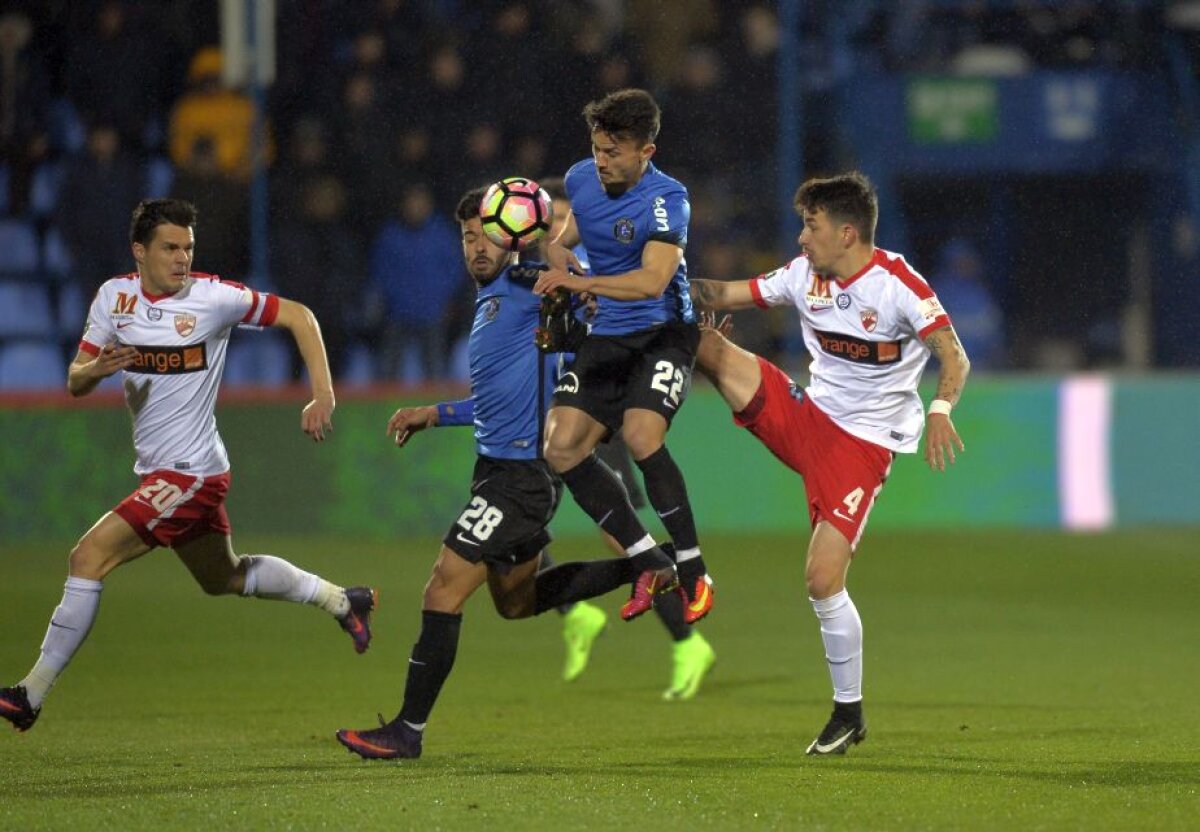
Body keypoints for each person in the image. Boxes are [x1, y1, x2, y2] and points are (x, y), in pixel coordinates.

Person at [0, 199, 376, 734]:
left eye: (188, 248)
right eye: (170, 248)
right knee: (222, 577)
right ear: (140, 252)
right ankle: (343, 600)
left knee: (87, 557)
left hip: (191, 473)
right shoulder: (115, 297)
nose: (182, 259)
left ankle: (29, 694)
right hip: (167, 472)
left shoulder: (213, 299)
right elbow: (74, 382)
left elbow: (300, 315)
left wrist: (323, 394)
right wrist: (98, 368)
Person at [334, 188, 678, 761]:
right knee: (515, 604)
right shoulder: (490, 301)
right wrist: (433, 413)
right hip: (498, 469)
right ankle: (647, 562)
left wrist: (570, 273)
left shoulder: (527, 287)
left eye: (488, 234)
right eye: (468, 236)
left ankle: (406, 731)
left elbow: (583, 291)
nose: (477, 246)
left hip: (520, 477)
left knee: (443, 586)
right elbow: (494, 399)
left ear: (513, 236)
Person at [688, 172, 970, 755]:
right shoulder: (802, 276)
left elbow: (954, 355)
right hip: (807, 418)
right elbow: (718, 294)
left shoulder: (899, 286)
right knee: (703, 343)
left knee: (821, 579)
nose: (800, 239)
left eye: (810, 227)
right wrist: (641, 287)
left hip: (860, 447)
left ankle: (848, 713)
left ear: (846, 233)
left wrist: (940, 407)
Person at [532, 88, 714, 627]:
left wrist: (582, 279)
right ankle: (647, 557)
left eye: (613, 152)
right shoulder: (582, 178)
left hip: (664, 334)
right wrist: (561, 254)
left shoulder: (668, 200)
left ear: (646, 152)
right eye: (596, 149)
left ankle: (694, 570)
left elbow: (654, 280)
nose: (601, 161)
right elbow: (565, 239)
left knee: (640, 437)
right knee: (560, 447)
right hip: (608, 335)